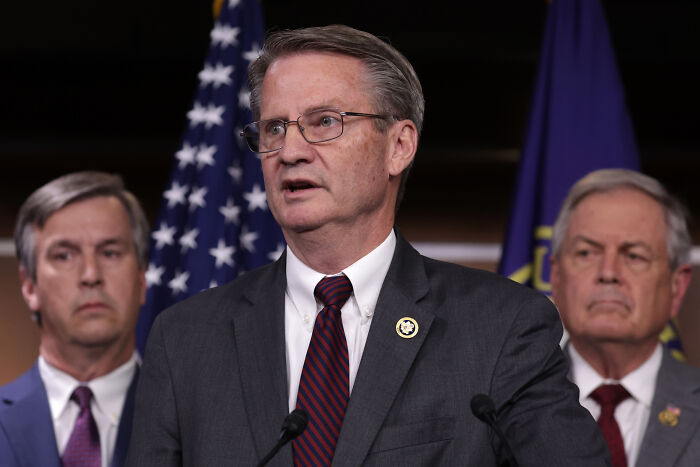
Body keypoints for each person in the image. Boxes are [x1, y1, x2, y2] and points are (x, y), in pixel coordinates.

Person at [127, 25, 608, 466]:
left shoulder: (501, 327)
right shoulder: (184, 341)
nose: (290, 151)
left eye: (324, 122)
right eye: (274, 128)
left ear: (399, 145)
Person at [550, 168, 700, 467]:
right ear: (556, 277)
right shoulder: (503, 406)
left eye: (634, 256)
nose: (608, 273)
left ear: (677, 286)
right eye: (586, 253)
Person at [0, 171, 149, 467]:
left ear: (141, 278)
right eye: (64, 256)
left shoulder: (192, 419)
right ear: (29, 286)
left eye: (110, 252)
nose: (91, 275)